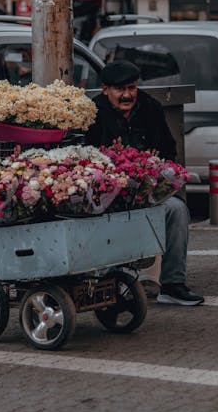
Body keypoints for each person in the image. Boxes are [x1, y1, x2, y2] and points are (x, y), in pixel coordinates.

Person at [85, 59, 204, 306]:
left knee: (177, 210)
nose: (127, 95)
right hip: (107, 196)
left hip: (145, 193)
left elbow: (169, 151)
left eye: (132, 87)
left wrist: (157, 174)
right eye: (120, 89)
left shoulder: (150, 107)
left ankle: (172, 284)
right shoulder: (92, 113)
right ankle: (103, 282)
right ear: (105, 89)